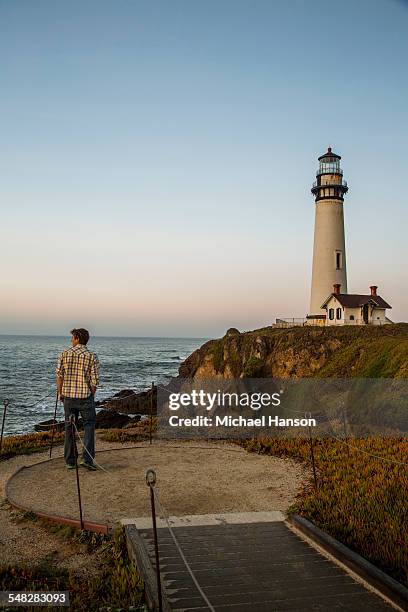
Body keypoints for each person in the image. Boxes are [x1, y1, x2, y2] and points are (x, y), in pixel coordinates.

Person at [56, 328, 100, 470]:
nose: (71, 340)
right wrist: (91, 394)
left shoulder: (64, 354)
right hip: (85, 397)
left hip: (68, 396)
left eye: (72, 337)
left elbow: (59, 376)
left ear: (76, 338)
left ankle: (70, 461)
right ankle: (87, 459)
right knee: (89, 426)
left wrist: (60, 393)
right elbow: (94, 381)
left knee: (69, 428)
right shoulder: (92, 356)